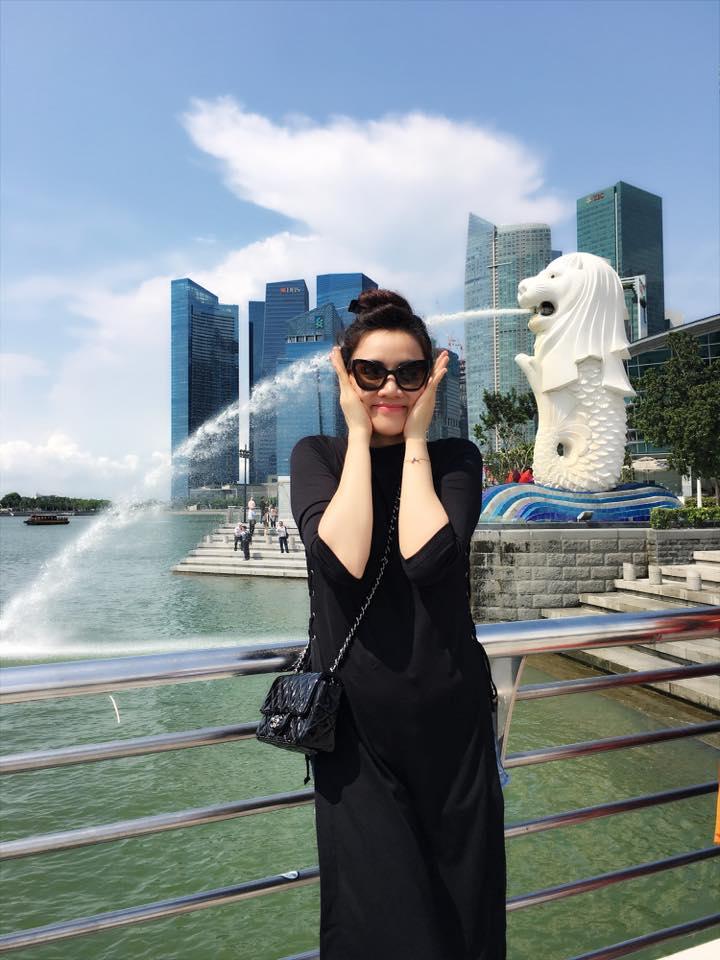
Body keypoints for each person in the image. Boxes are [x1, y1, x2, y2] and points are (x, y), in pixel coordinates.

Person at [290, 289, 505, 959]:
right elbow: (342, 560)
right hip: (355, 737)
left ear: (430, 379)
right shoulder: (317, 455)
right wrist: (359, 436)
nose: (390, 388)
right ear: (345, 375)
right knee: (376, 920)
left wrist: (415, 439)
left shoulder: (456, 458)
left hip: (454, 729)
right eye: (370, 372)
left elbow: (427, 557)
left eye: (408, 373)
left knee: (463, 915)